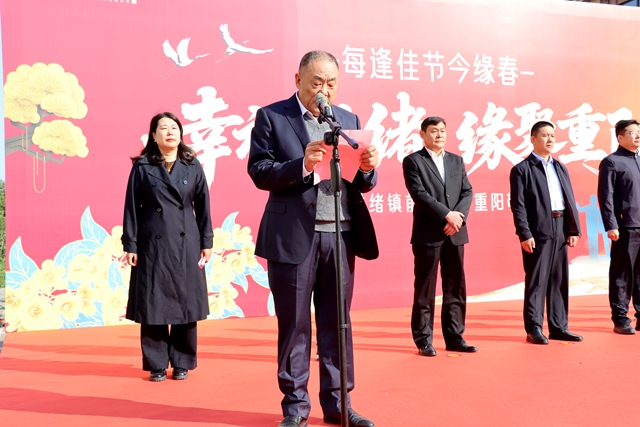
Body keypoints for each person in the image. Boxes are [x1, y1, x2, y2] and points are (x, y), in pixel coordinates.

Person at [248, 51, 379, 427]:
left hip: (340, 235)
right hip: (293, 237)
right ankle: (295, 408)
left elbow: (361, 181)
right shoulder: (273, 116)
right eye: (317, 82)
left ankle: (339, 404)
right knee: (295, 324)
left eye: (331, 83)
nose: (324, 90)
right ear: (298, 80)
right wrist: (301, 165)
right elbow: (259, 170)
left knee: (338, 322)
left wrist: (368, 170)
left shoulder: (348, 120)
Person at [122, 112, 213, 381]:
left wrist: (206, 241)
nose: (170, 132)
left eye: (174, 127)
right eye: (163, 128)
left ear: (180, 134)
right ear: (153, 135)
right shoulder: (142, 167)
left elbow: (204, 206)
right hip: (153, 243)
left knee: (186, 302)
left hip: (187, 243)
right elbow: (131, 209)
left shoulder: (192, 165)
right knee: (153, 303)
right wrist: (131, 244)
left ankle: (182, 361)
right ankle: (157, 363)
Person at [402, 116, 476, 357]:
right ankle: (424, 340)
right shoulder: (413, 161)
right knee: (425, 289)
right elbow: (419, 194)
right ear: (422, 134)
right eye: (434, 131)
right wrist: (447, 216)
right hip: (429, 234)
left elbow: (467, 191)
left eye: (443, 130)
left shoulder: (456, 160)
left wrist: (458, 219)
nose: (439, 135)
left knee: (455, 287)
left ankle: (455, 337)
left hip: (455, 233)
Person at [509, 121, 582, 345]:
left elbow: (569, 199)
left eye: (552, 135)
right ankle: (534, 328)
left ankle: (559, 326)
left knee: (559, 279)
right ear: (533, 139)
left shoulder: (559, 167)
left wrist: (572, 229)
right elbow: (518, 205)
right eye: (544, 135)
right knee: (537, 281)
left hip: (560, 227)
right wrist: (524, 233)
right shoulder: (522, 169)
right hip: (538, 230)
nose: (550, 139)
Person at [597, 119, 640, 335]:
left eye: (639, 132)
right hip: (625, 226)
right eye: (633, 132)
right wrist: (611, 225)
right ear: (620, 137)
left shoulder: (639, 160)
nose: (637, 135)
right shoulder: (611, 162)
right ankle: (620, 318)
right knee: (622, 274)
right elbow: (606, 196)